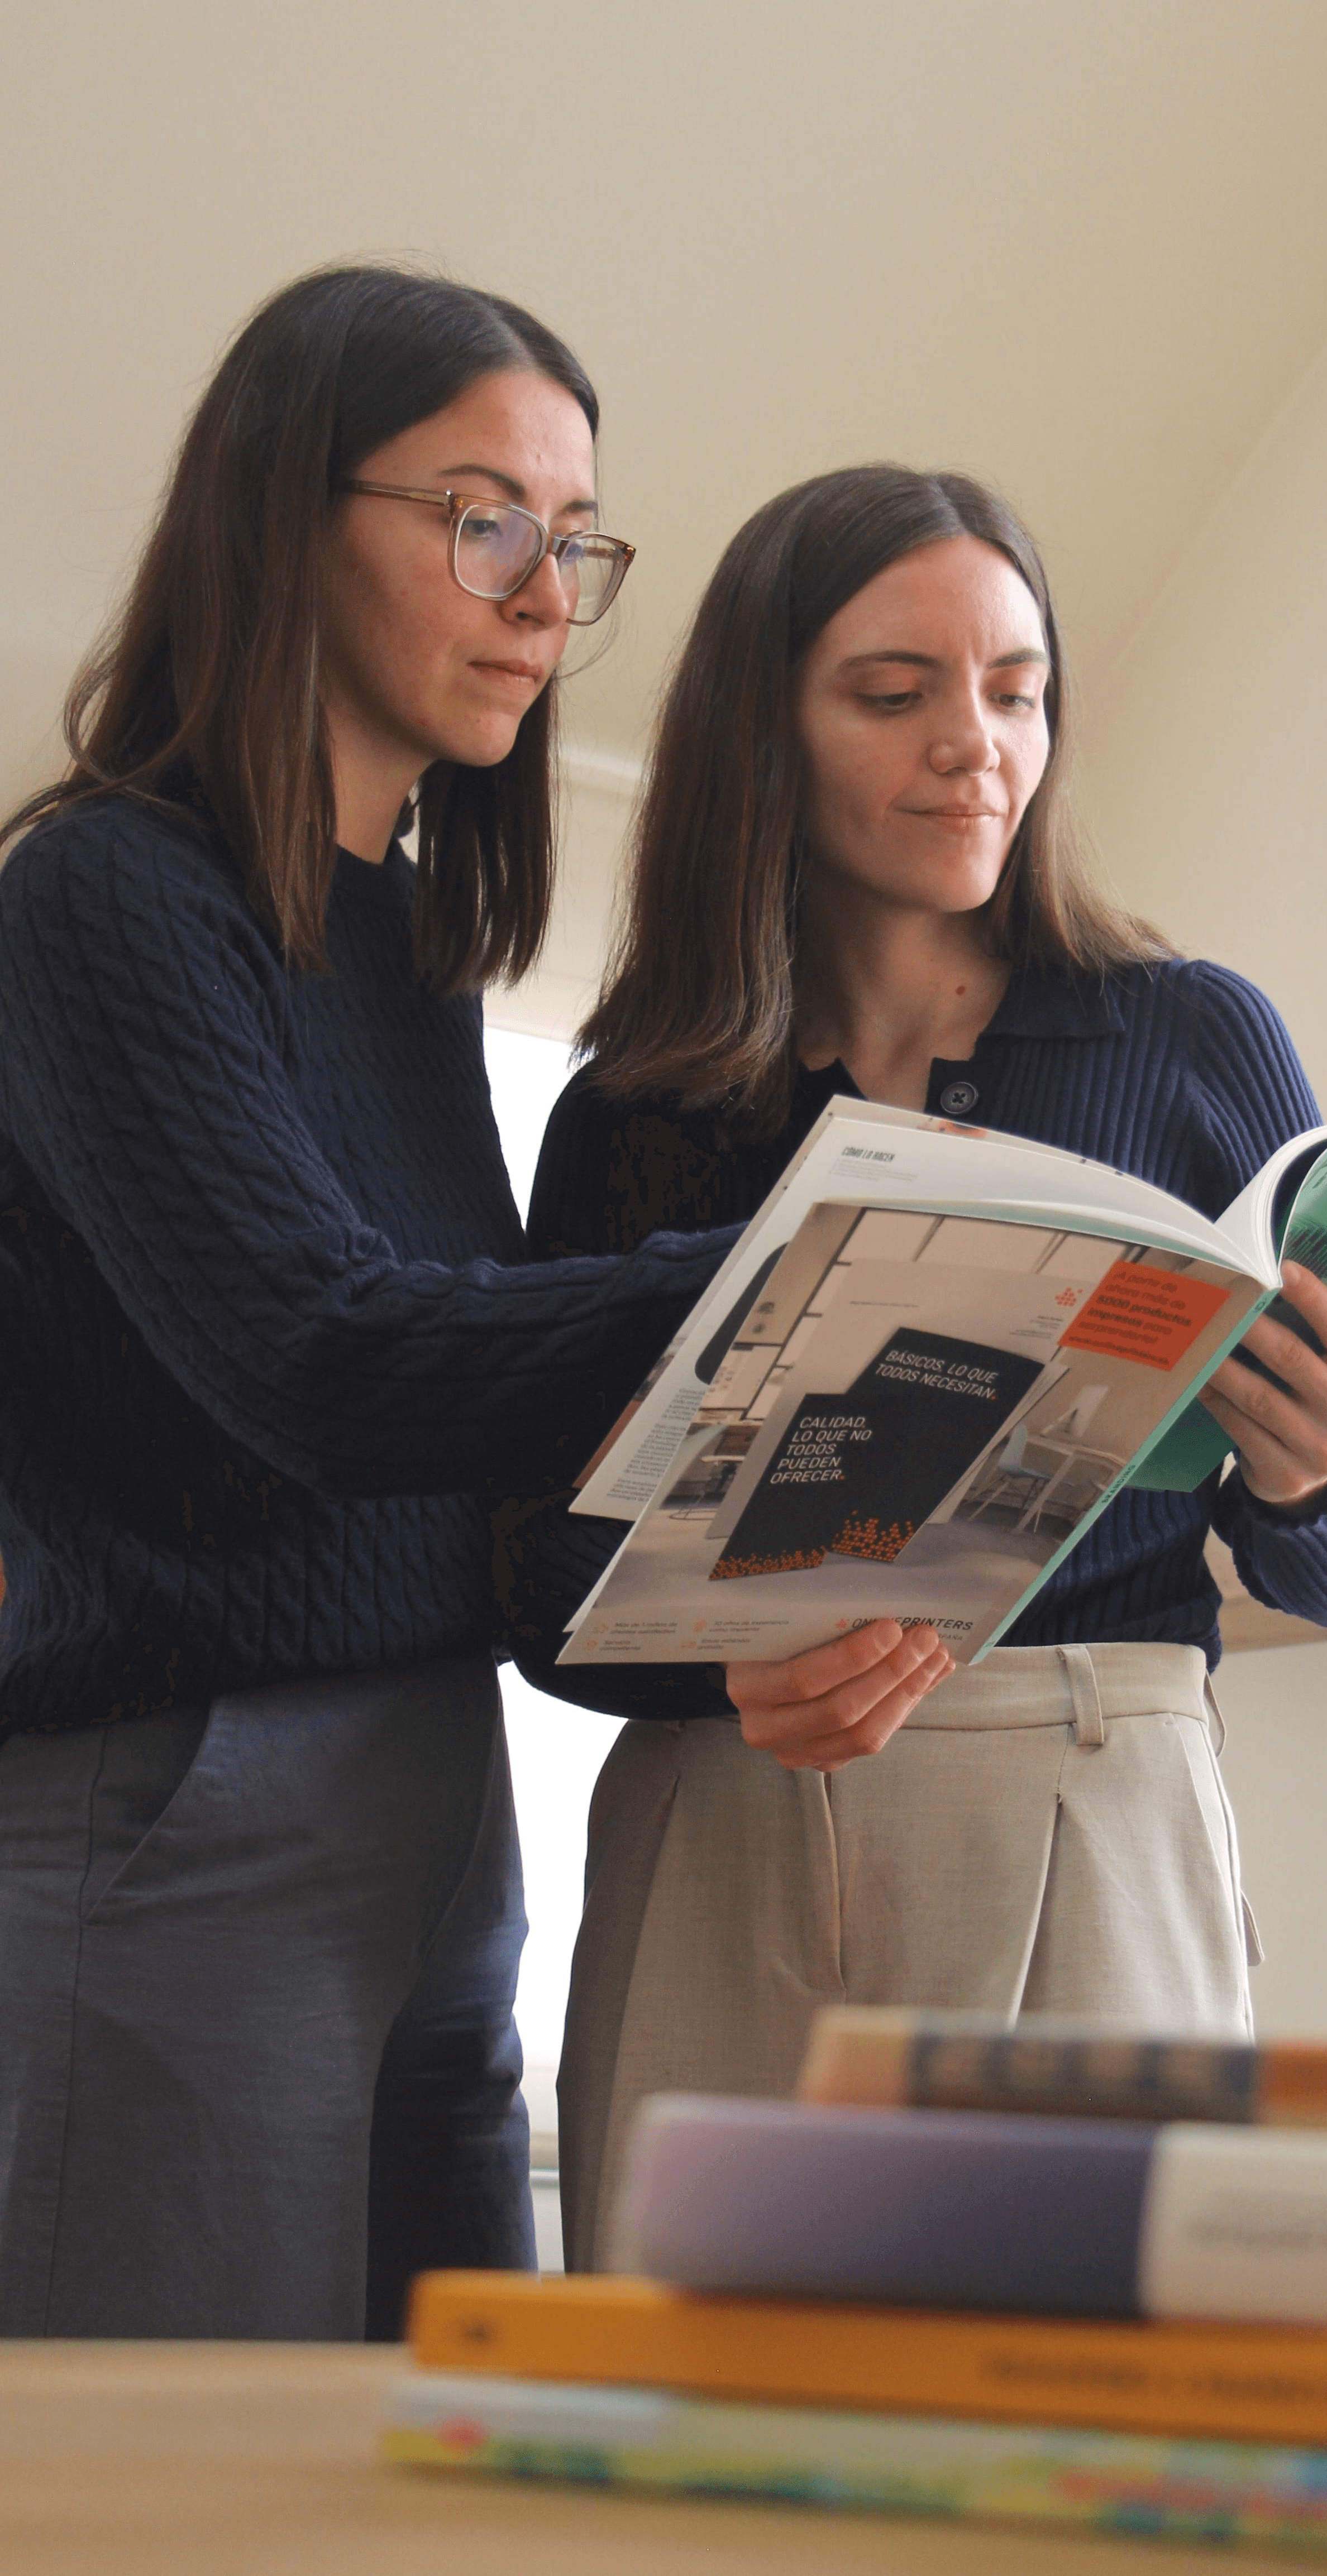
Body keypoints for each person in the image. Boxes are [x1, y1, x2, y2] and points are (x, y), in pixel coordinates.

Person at [0, 262, 843, 2342]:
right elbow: (321, 1355)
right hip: (179, 1794)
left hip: (431, 1791)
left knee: (427, 2456)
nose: (546, 598)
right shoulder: (111, 892)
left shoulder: (402, 946)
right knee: (198, 2510)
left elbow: (479, 1401)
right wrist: (781, 1276)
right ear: (289, 516)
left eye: (574, 543)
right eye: (487, 522)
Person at [509, 465, 1327, 2270]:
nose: (975, 746)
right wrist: (716, 1651)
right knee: (684, 2456)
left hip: (1093, 1789)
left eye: (1015, 690)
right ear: (763, 729)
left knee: (1098, 2428)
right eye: (895, 692)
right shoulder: (635, 1107)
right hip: (728, 1831)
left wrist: (1320, 1466)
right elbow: (538, 1601)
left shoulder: (1187, 1034)